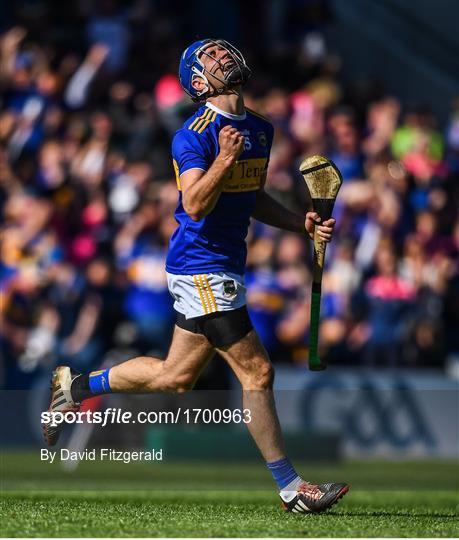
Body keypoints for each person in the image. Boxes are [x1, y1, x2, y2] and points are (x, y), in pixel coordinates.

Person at [43, 38, 349, 513]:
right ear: (197, 82)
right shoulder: (195, 134)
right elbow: (194, 203)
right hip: (201, 266)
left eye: (224, 51)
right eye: (210, 58)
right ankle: (292, 489)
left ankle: (74, 388)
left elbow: (251, 196)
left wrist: (299, 222)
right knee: (258, 371)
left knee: (174, 377)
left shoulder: (261, 129)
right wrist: (224, 159)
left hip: (224, 264)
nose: (223, 57)